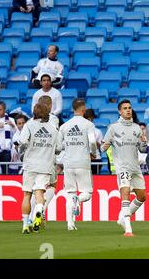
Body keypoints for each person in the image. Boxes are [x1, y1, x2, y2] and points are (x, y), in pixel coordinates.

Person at [101, 99, 148, 237]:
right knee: (125, 192)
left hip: (135, 167)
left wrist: (143, 143)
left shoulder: (136, 128)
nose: (128, 110)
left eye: (129, 108)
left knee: (142, 197)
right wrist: (104, 146)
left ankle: (122, 217)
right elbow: (102, 147)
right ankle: (128, 229)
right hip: (122, 167)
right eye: (125, 108)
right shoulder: (113, 128)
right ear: (120, 111)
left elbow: (142, 149)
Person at [18, 103, 59, 234]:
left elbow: (22, 141)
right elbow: (58, 148)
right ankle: (38, 213)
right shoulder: (53, 129)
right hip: (45, 165)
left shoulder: (29, 125)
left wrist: (24, 148)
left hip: (30, 164)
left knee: (27, 195)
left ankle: (25, 224)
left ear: (34, 113)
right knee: (39, 193)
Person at [58, 98, 97, 230]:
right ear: (83, 109)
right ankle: (78, 200)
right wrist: (93, 153)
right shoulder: (88, 125)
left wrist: (68, 146)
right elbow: (92, 142)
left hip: (68, 163)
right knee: (87, 193)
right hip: (83, 162)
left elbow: (58, 146)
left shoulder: (64, 126)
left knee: (70, 193)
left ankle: (70, 224)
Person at [84, 109, 103, 175]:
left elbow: (101, 148)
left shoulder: (98, 131)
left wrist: (95, 142)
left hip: (96, 159)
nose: (92, 120)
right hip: (84, 158)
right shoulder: (82, 131)